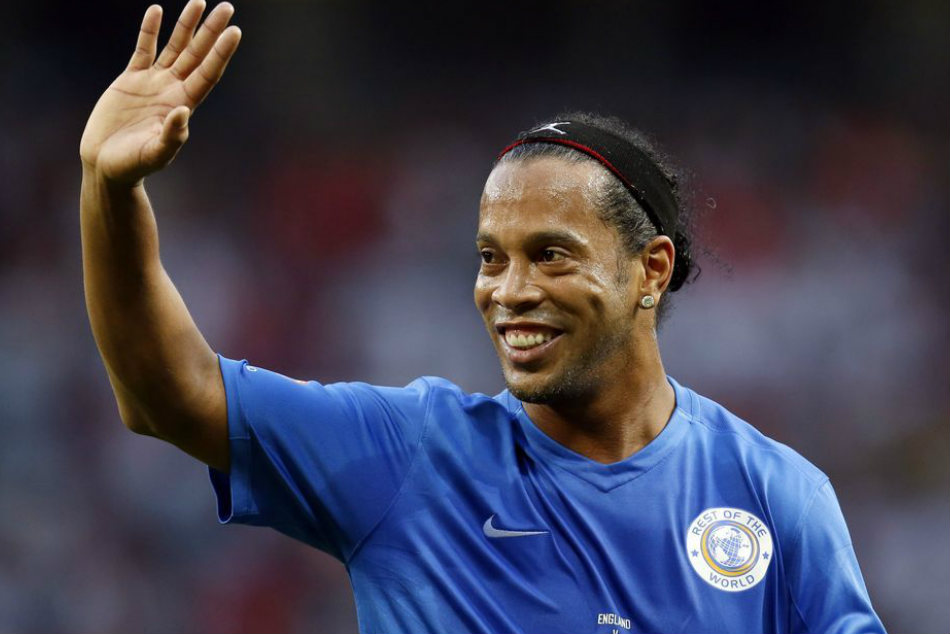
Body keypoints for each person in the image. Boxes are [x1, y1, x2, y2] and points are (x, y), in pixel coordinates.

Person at [79, 2, 886, 633]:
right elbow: (170, 395)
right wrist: (109, 192)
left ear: (651, 270)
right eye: (491, 258)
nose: (510, 290)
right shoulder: (413, 456)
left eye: (551, 255)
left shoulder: (775, 494)